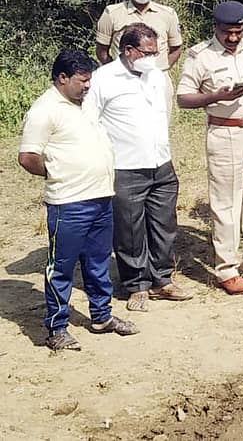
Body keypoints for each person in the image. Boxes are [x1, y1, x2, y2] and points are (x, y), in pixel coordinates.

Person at [18, 48, 138, 351]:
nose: (87, 86)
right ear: (62, 78)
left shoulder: (84, 104)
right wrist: (57, 173)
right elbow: (28, 156)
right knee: (61, 267)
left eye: (89, 80)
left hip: (100, 198)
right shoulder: (44, 110)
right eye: (82, 80)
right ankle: (57, 329)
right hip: (69, 203)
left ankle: (102, 317)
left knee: (97, 264)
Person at [176, 1, 243, 295]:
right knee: (226, 203)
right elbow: (183, 98)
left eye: (238, 31)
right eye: (227, 32)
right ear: (216, 29)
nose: (233, 38)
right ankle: (227, 269)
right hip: (225, 134)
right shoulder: (201, 56)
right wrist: (213, 96)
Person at [85, 23, 192, 311]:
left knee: (164, 225)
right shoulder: (103, 79)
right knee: (129, 229)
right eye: (147, 52)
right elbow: (88, 122)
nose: (153, 58)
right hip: (125, 166)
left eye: (156, 52)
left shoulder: (156, 76)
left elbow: (164, 113)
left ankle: (162, 280)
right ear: (128, 50)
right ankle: (136, 285)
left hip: (161, 162)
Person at [95, 0, 182, 105]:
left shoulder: (167, 14)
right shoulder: (112, 13)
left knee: (159, 124)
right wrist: (117, 70)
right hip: (123, 81)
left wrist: (161, 69)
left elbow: (176, 48)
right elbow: (102, 50)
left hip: (157, 83)